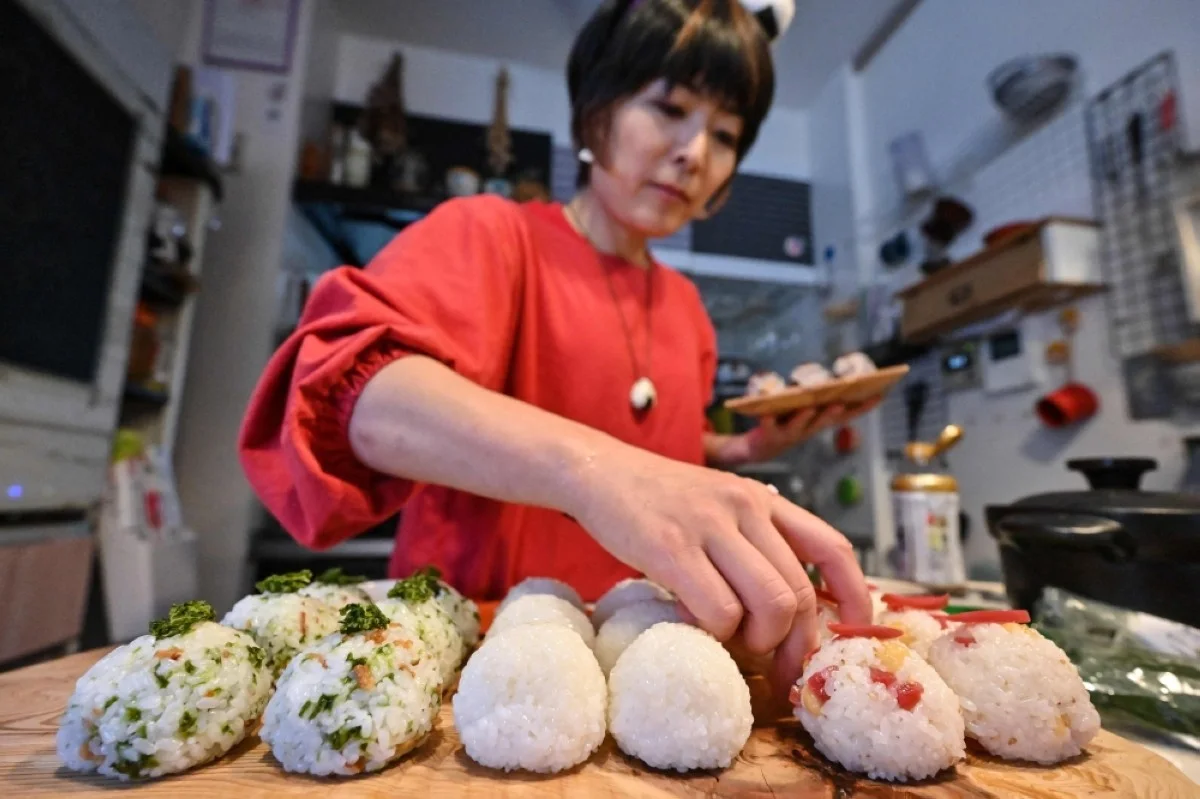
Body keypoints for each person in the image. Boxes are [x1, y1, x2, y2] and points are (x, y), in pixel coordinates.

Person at [239, 0, 874, 689]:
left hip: (646, 662)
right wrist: (598, 472)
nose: (694, 153)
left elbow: (669, 444)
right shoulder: (493, 234)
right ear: (597, 108)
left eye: (725, 134)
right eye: (669, 108)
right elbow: (355, 400)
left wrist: (741, 451)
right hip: (475, 660)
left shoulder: (688, 309)